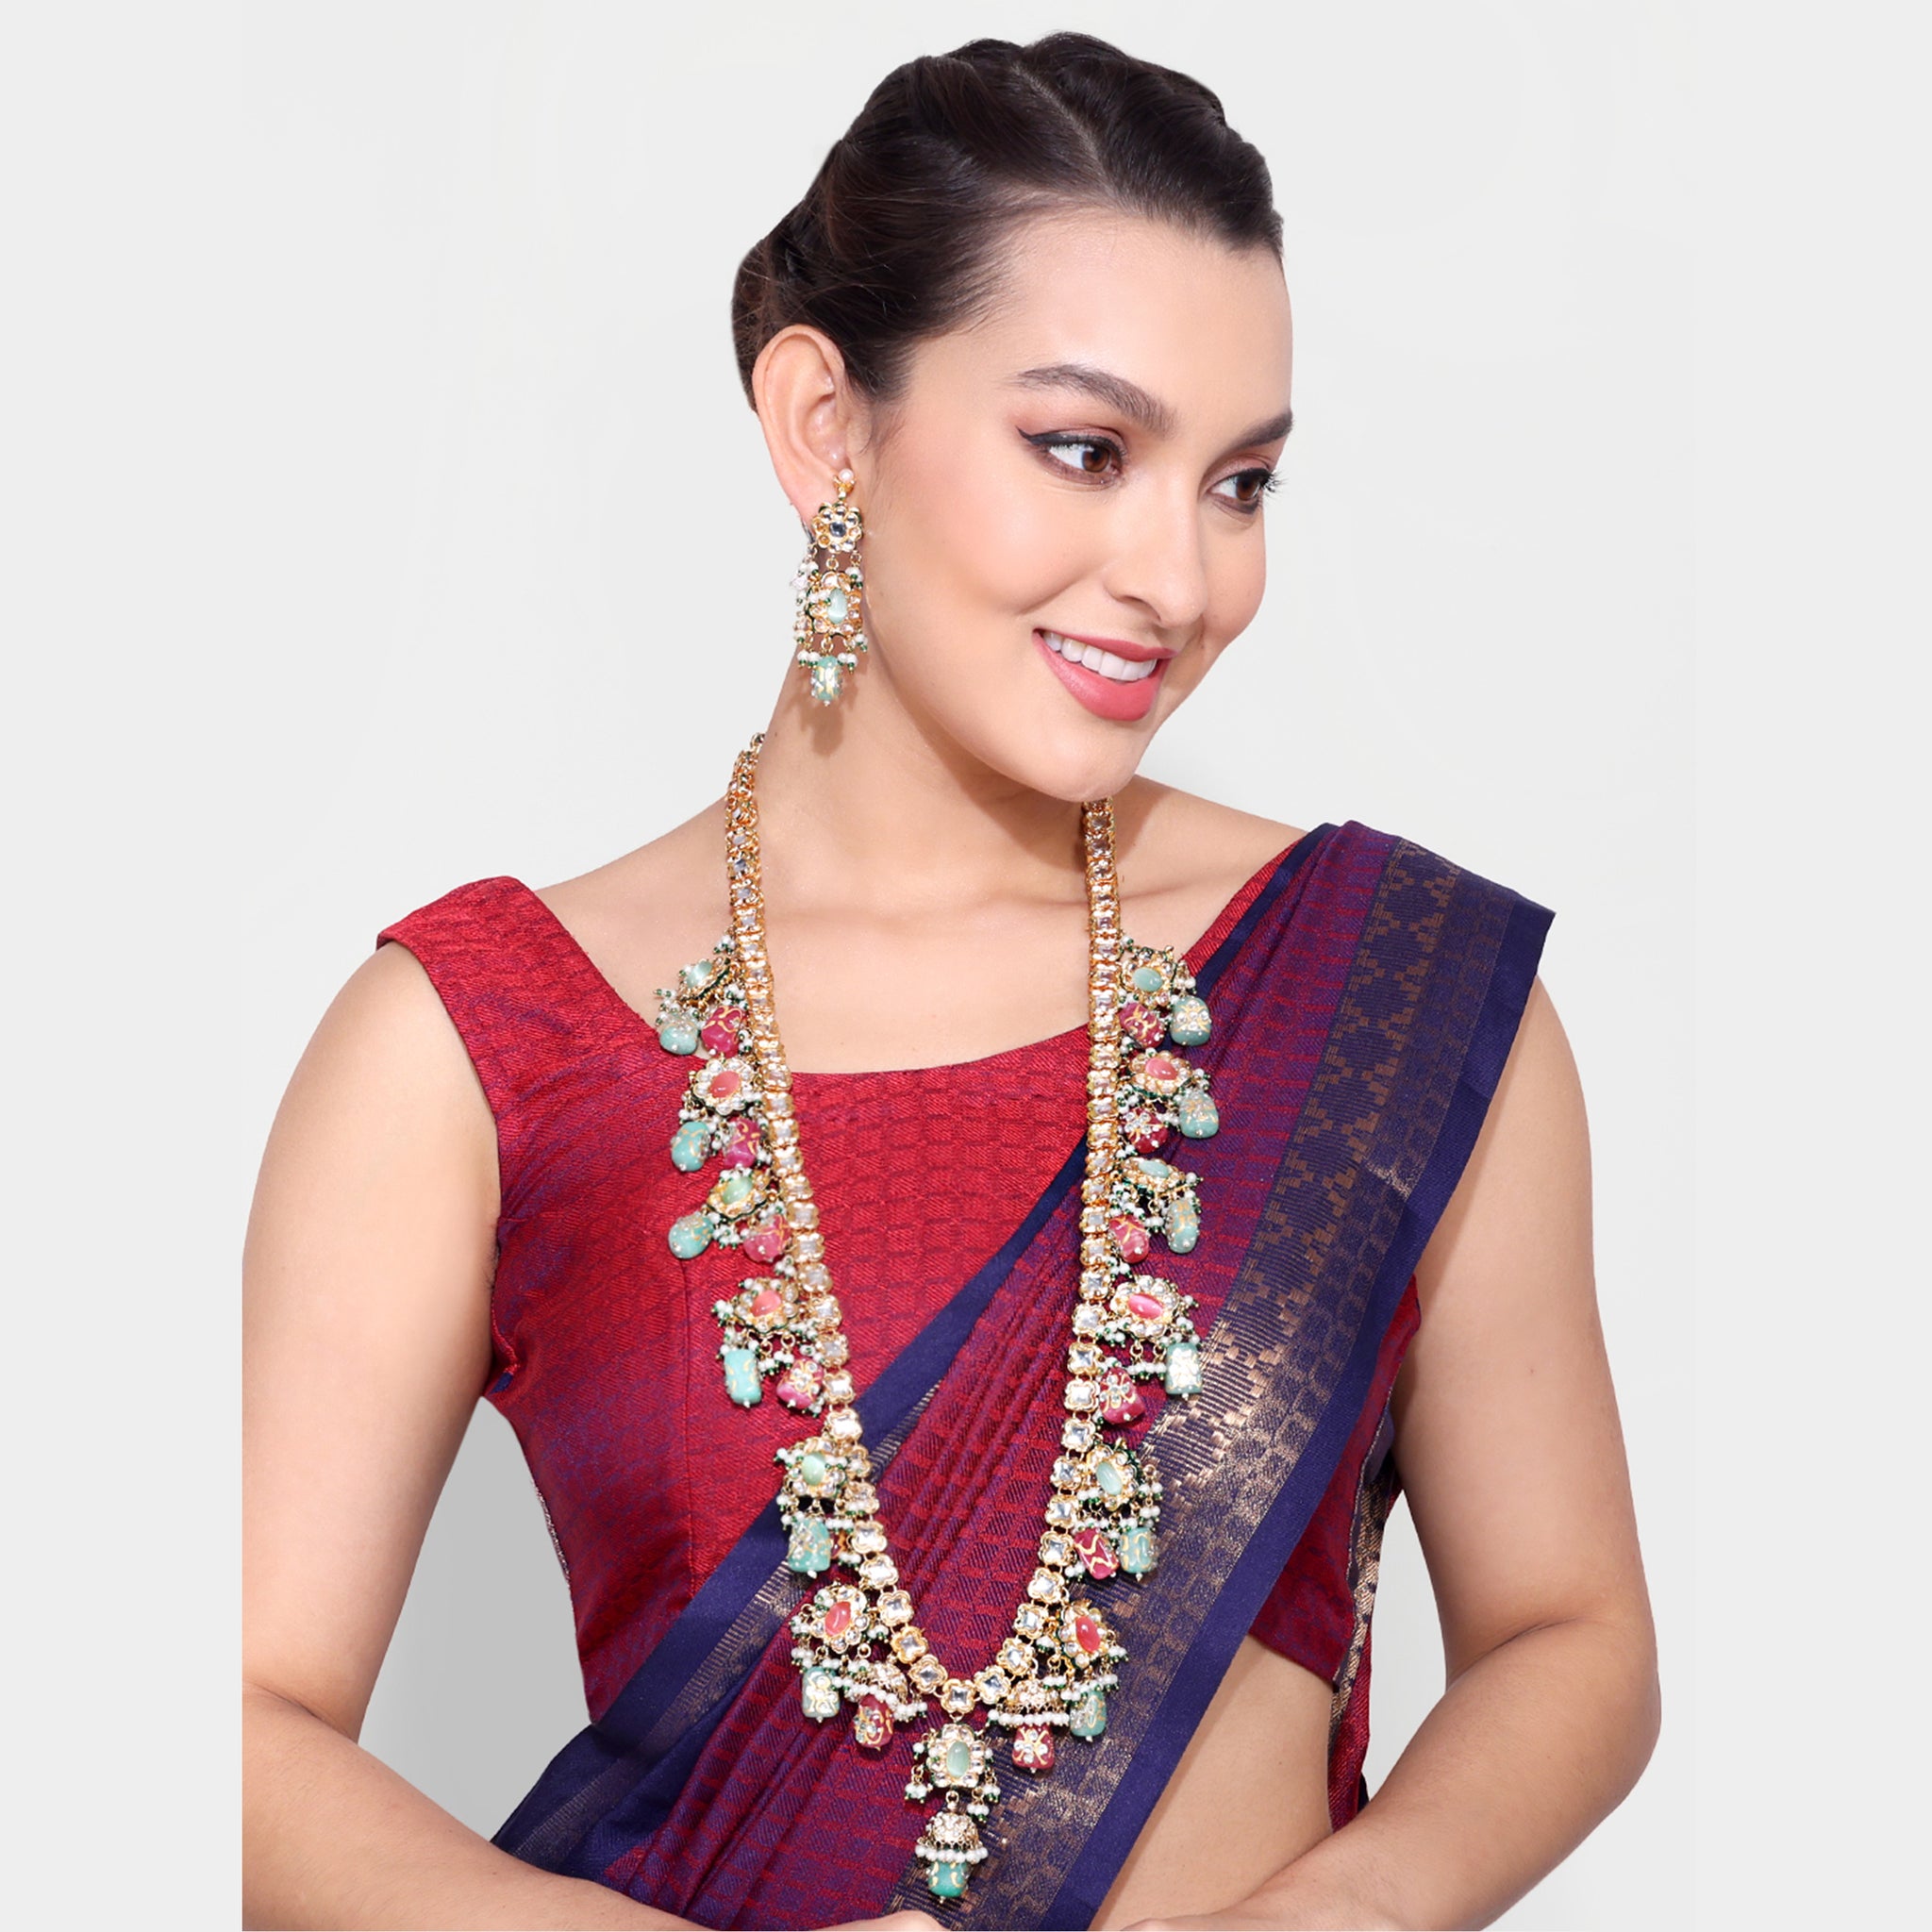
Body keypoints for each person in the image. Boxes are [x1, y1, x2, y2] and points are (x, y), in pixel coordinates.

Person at [242, 31, 1658, 1932]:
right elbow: (231, 1733)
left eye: (1240, 483)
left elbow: (1571, 1634)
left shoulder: (1383, 989)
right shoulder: (482, 1039)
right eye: (1086, 450)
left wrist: (1347, 1913)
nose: (1180, 579)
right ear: (826, 426)